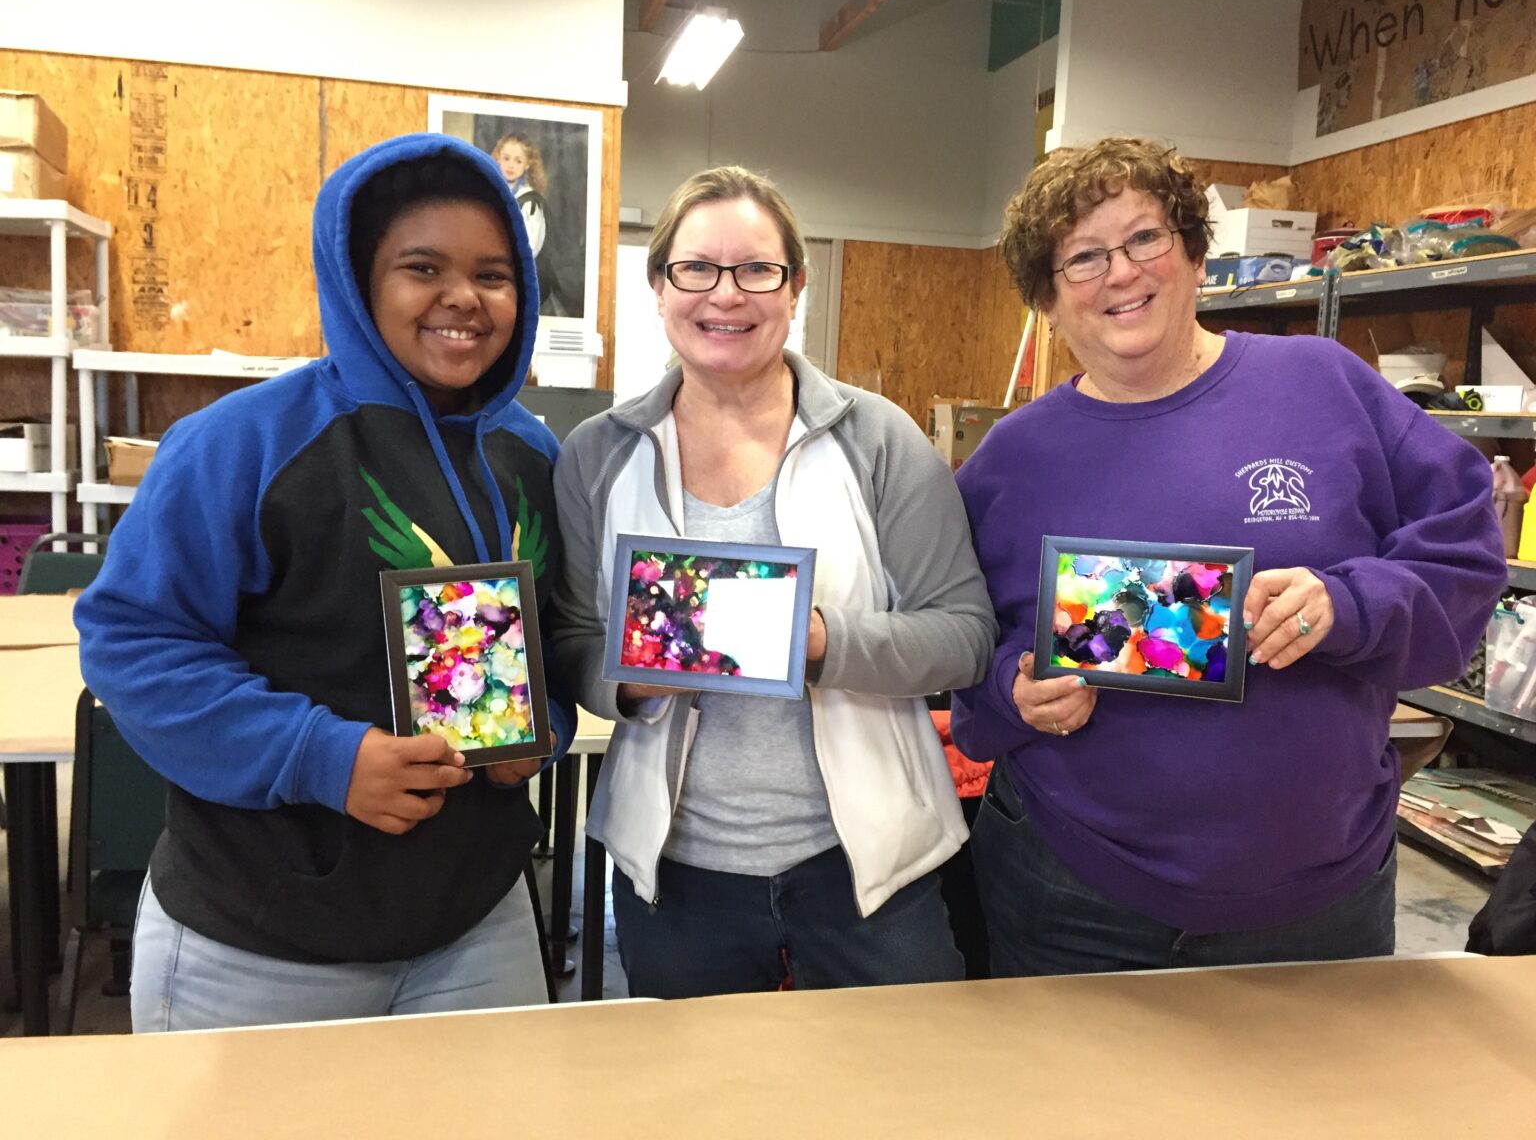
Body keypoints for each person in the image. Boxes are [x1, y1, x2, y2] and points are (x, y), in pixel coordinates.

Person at [951, 135, 1507, 977]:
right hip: (1073, 891)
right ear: (1047, 298)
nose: (1122, 273)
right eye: (1084, 257)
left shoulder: (1323, 385)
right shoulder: (1008, 462)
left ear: (1192, 253)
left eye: (1145, 238)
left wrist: (1348, 605)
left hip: (1319, 896)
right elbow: (959, 640)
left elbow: (1463, 555)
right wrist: (1012, 688)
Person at [74, 133, 574, 1031]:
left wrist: (544, 731)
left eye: (494, 274)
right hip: (261, 938)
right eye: (423, 267)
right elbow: (134, 644)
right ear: (359, 280)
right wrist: (323, 759)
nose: (463, 296)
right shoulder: (245, 443)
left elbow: (556, 634)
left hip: (475, 923)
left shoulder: (531, 454)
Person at [551, 165, 996, 998]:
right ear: (659, 286)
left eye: (757, 269)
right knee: (696, 1079)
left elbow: (965, 635)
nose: (726, 294)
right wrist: (631, 681)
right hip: (676, 873)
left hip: (868, 869)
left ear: (795, 288)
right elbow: (572, 637)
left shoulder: (879, 440)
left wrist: (819, 641)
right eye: (697, 268)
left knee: (899, 1073)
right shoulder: (599, 453)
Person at [492, 131, 563, 317]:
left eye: (518, 161)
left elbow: (529, 249)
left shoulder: (530, 202)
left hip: (522, 279)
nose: (511, 165)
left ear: (527, 165)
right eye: (506, 158)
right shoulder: (493, 193)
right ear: (498, 158)